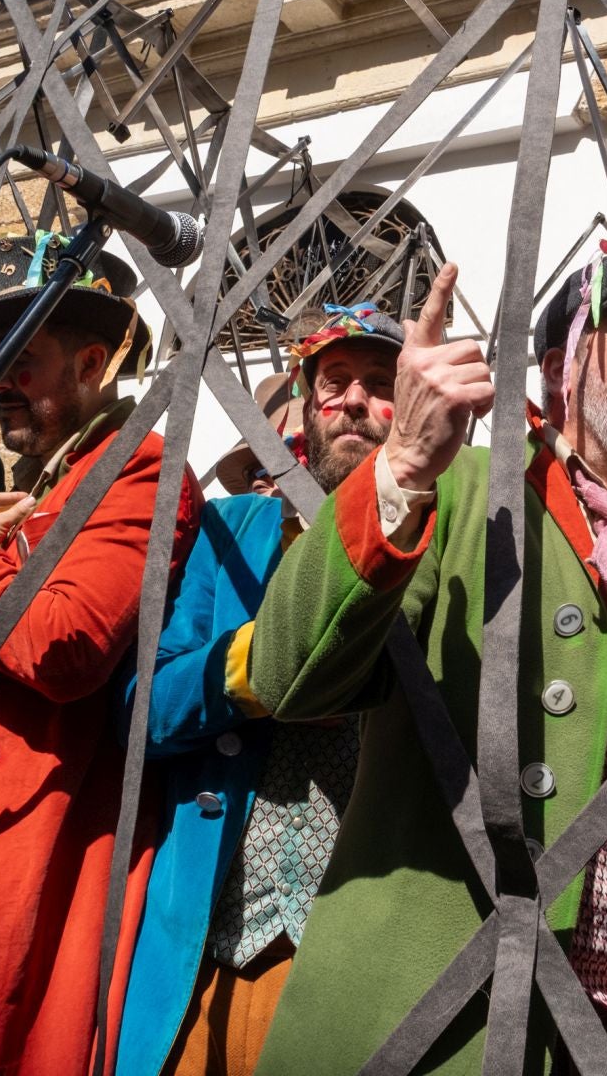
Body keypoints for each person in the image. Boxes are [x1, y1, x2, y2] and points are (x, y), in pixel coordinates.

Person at [242, 241, 607, 1075]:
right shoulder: (463, 493)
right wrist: (406, 464)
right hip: (440, 1018)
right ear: (563, 367)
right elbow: (288, 676)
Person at [0, 228, 198, 1076]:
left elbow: (63, 645)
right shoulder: (39, 479)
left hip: (7, 840)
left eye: (21, 358)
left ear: (92, 364)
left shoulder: (136, 467)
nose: (0, 382)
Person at [118, 304, 407, 1076]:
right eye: (334, 381)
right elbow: (145, 706)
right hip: (212, 935)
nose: (352, 399)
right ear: (308, 406)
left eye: (380, 385)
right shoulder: (232, 529)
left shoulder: (442, 535)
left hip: (361, 947)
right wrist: (255, 668)